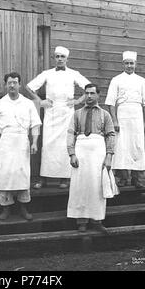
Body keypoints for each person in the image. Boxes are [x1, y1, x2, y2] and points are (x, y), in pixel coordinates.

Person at [0, 72, 41, 221]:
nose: (12, 85)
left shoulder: (27, 103)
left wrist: (34, 142)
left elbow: (35, 124)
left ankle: (23, 208)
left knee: (22, 174)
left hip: (22, 142)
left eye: (15, 82)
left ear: (19, 84)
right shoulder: (0, 103)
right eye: (9, 83)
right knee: (5, 174)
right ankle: (5, 208)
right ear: (5, 85)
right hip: (6, 142)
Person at [26, 46, 90, 189]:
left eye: (62, 56)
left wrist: (78, 101)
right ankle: (44, 178)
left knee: (65, 144)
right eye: (57, 56)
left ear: (67, 59)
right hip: (51, 111)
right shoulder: (47, 73)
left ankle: (64, 178)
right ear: (54, 58)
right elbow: (29, 87)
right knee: (48, 144)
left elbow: (89, 87)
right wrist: (40, 101)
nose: (60, 59)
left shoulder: (74, 73)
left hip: (67, 112)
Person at [67, 83, 115, 232]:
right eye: (86, 93)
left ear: (98, 95)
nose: (89, 96)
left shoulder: (105, 114)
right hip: (81, 152)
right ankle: (81, 221)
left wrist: (108, 157)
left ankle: (97, 220)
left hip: (97, 152)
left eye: (92, 93)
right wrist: (72, 153)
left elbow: (111, 135)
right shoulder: (77, 114)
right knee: (80, 185)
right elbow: (70, 133)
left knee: (96, 185)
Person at [105, 51, 145, 188]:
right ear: (123, 64)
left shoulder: (141, 81)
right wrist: (114, 120)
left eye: (131, 63)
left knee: (137, 146)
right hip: (122, 116)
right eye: (126, 63)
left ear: (135, 64)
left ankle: (136, 178)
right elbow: (110, 103)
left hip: (137, 116)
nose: (129, 66)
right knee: (121, 146)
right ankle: (123, 177)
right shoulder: (116, 80)